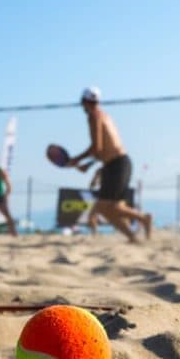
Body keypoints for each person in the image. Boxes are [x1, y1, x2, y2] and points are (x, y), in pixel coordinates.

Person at [67, 87, 152, 243]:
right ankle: (133, 237)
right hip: (120, 163)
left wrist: (77, 159)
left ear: (85, 102)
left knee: (103, 208)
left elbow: (96, 147)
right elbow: (104, 149)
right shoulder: (104, 115)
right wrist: (89, 164)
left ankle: (143, 219)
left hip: (116, 165)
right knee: (113, 208)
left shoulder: (93, 117)